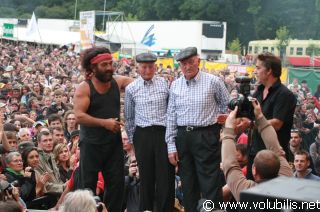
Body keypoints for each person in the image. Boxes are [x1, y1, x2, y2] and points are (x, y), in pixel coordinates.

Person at [166, 47, 230, 211]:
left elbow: (227, 105)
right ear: (180, 65)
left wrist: (223, 122)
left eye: (190, 62)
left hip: (206, 134)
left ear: (198, 61)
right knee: (187, 183)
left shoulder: (213, 81)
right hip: (182, 136)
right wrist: (171, 145)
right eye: (183, 64)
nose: (187, 66)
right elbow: (171, 116)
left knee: (210, 181)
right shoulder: (175, 85)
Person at [74, 47, 132, 212]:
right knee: (87, 187)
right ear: (93, 68)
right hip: (91, 145)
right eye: (104, 65)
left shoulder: (118, 81)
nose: (109, 67)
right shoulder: (84, 88)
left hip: (113, 144)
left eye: (110, 63)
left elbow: (137, 83)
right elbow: (79, 116)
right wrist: (104, 123)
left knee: (116, 186)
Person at [125, 53, 175, 211]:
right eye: (143, 67)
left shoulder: (165, 84)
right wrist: (133, 143)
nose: (147, 70)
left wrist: (172, 136)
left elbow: (171, 110)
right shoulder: (131, 88)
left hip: (163, 134)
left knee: (165, 178)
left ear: (155, 67)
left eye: (150, 67)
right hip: (143, 135)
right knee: (146, 178)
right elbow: (129, 118)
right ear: (138, 67)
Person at [221, 100, 293, 201]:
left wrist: (228, 127)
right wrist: (260, 117)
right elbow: (230, 165)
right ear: (279, 167)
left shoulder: (248, 192)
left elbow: (229, 164)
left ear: (254, 170)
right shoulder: (287, 178)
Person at [248, 52, 296, 179]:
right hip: (255, 152)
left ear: (269, 71)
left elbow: (277, 124)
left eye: (258, 68)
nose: (255, 71)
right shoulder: (257, 92)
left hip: (273, 158)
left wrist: (251, 125)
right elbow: (249, 118)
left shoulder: (285, 94)